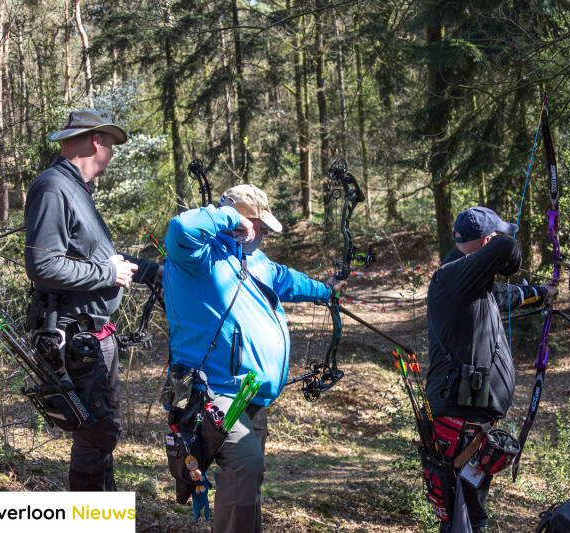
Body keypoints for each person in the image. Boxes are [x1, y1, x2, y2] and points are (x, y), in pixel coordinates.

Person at [162, 184, 344, 532]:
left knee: (248, 477)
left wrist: (325, 291)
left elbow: (285, 279)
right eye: (257, 225)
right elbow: (181, 228)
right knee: (245, 464)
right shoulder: (196, 257)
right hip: (212, 393)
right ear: (238, 222)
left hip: (250, 393)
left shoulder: (254, 260)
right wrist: (233, 218)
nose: (261, 233)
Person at [24, 110, 161, 491]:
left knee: (101, 432)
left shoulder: (76, 189)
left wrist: (155, 273)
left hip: (92, 332)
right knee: (97, 433)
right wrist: (107, 275)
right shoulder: (54, 187)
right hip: (74, 333)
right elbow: (42, 264)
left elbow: (98, 258)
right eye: (112, 146)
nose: (113, 154)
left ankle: (103, 514)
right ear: (97, 142)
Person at [425, 206, 558, 532]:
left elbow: (509, 296)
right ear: (487, 240)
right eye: (497, 233)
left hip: (471, 419)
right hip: (460, 421)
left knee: (468, 513)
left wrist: (541, 294)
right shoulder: (452, 277)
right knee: (463, 514)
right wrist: (510, 260)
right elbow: (506, 249)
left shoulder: (473, 287)